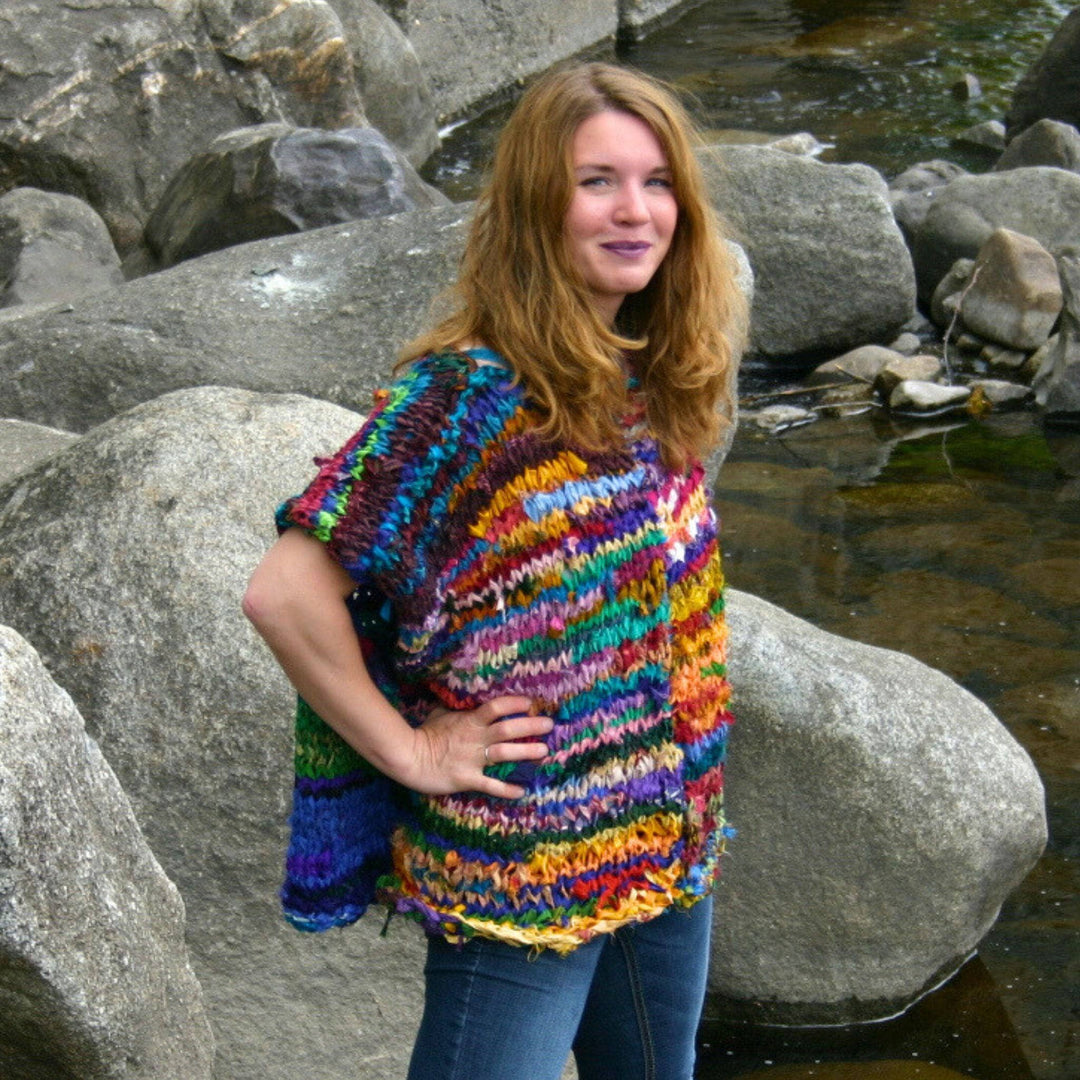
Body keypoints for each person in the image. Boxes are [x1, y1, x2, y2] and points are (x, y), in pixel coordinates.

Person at [243, 60, 747, 1080]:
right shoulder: (468, 398)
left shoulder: (652, 380)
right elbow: (285, 592)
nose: (634, 210)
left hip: (668, 850)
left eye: (656, 183)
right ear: (534, 203)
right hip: (527, 872)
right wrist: (413, 752)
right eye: (596, 180)